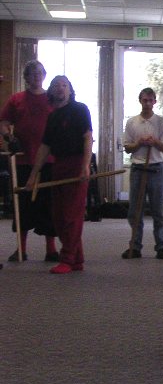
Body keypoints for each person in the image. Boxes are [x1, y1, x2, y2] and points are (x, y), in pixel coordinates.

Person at [25, 75, 93, 274]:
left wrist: (85, 166)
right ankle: (77, 259)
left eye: (64, 85)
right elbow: (45, 147)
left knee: (72, 214)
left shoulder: (80, 109)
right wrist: (33, 175)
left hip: (77, 164)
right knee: (59, 216)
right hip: (59, 166)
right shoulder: (53, 116)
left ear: (70, 90)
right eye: (56, 85)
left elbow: (88, 138)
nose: (60, 88)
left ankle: (67, 258)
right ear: (51, 91)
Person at [0, 60, 59, 262]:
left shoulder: (52, 99)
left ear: (44, 75)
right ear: (26, 77)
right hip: (23, 160)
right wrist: (8, 136)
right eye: (33, 73)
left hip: (49, 160)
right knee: (23, 206)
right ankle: (21, 248)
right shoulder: (16, 99)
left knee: (48, 205)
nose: (37, 76)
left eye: (40, 72)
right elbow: (3, 123)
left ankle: (51, 249)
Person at [121, 88, 163, 260]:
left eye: (150, 100)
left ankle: (161, 247)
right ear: (140, 101)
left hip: (156, 169)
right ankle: (135, 246)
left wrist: (155, 142)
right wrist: (139, 143)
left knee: (158, 211)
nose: (147, 103)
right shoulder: (132, 122)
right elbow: (127, 148)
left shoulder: (161, 122)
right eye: (144, 100)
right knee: (135, 211)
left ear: (155, 102)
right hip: (138, 169)